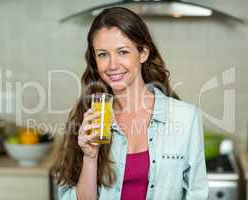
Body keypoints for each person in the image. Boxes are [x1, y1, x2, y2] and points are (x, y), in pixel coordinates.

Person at [53, 7, 209, 200]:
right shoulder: (87, 119)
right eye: (103, 54)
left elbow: (197, 194)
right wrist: (90, 157)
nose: (112, 65)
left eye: (123, 52)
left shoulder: (186, 117)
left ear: (143, 53)